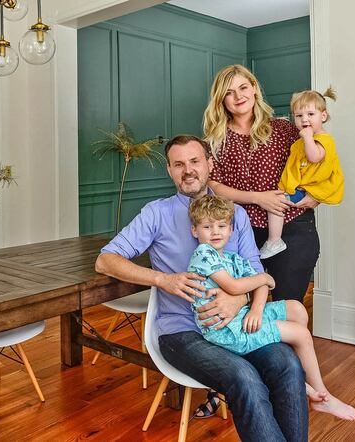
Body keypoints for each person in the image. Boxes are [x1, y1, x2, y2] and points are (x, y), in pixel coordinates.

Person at [95, 134, 311, 442]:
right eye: (179, 164)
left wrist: (238, 300)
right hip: (181, 332)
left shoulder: (234, 214)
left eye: (195, 161)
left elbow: (256, 273)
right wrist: (162, 279)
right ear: (170, 170)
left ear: (209, 164)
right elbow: (105, 261)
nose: (188, 170)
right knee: (244, 377)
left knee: (288, 364)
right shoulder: (157, 213)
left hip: (238, 325)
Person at [187, 194, 355, 420]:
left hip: (243, 315)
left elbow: (263, 284)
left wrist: (258, 307)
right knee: (300, 334)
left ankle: (299, 380)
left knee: (296, 308)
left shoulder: (233, 258)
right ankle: (320, 395)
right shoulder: (203, 254)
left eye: (221, 225)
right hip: (227, 330)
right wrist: (264, 279)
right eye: (207, 226)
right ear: (195, 231)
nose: (215, 232)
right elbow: (235, 286)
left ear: (231, 229)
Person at [203, 64, 319, 303]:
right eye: (229, 92)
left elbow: (314, 164)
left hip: (293, 227)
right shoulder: (216, 139)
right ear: (221, 99)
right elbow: (215, 186)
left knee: (288, 306)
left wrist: (315, 196)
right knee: (241, 307)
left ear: (254, 88)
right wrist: (258, 197)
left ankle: (292, 341)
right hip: (241, 231)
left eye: (243, 87)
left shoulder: (283, 128)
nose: (238, 96)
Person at [260, 88, 343, 258]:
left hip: (305, 189)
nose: (304, 119)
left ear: (323, 116)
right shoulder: (304, 138)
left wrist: (307, 138)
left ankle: (274, 241)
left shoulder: (322, 139)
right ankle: (274, 240)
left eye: (310, 114)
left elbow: (314, 157)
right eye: (299, 116)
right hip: (300, 186)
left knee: (276, 204)